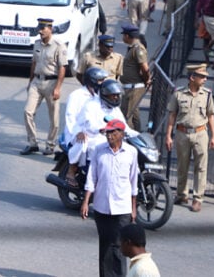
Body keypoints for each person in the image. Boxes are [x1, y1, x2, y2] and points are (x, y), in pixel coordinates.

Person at [81, 119, 138, 277]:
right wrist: (86, 202)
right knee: (105, 246)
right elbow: (92, 178)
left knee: (119, 247)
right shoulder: (99, 150)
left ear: (121, 134)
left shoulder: (131, 153)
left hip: (122, 209)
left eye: (112, 132)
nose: (109, 136)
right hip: (102, 207)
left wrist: (133, 209)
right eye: (107, 133)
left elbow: (133, 183)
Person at [165, 64, 214, 212]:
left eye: (206, 76)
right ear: (192, 77)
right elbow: (172, 115)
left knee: (201, 167)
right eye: (202, 76)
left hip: (201, 133)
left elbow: (211, 115)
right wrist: (168, 135)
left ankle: (198, 198)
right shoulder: (179, 94)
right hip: (182, 133)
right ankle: (182, 194)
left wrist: (213, 136)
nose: (205, 79)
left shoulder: (207, 95)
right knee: (182, 165)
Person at [21, 18, 67, 156]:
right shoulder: (37, 44)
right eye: (39, 29)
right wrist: (30, 82)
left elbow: (62, 68)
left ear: (50, 29)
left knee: (54, 117)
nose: (40, 31)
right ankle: (32, 143)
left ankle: (50, 144)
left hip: (51, 83)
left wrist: (58, 88)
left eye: (43, 29)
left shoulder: (59, 46)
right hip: (37, 81)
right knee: (28, 112)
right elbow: (34, 64)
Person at [68, 80, 128, 183]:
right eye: (113, 95)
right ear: (105, 95)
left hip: (110, 136)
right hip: (90, 135)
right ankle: (72, 171)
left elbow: (124, 125)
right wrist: (100, 129)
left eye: (117, 95)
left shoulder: (115, 109)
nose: (116, 98)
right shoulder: (91, 105)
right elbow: (89, 123)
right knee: (94, 146)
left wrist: (137, 135)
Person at [62, 67, 108, 184]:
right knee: (83, 142)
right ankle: (71, 171)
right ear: (92, 80)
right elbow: (70, 116)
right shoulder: (76, 95)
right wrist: (77, 132)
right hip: (76, 131)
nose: (102, 83)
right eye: (100, 80)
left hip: (95, 130)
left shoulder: (98, 96)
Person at [120, 25, 151, 131]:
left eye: (123, 35)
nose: (123, 38)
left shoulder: (138, 49)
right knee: (134, 114)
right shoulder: (133, 48)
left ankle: (129, 140)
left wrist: (147, 80)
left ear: (127, 36)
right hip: (130, 86)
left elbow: (144, 68)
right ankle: (138, 134)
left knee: (127, 115)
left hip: (134, 88)